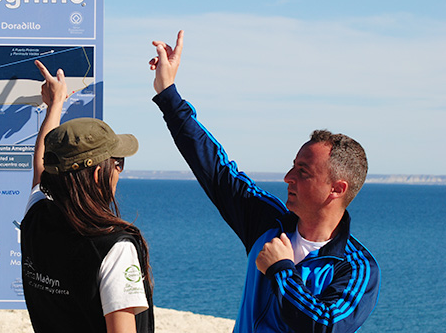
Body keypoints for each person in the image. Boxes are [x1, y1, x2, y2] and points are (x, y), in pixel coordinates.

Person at [148, 31, 380, 332]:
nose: (288, 178)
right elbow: (217, 170)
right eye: (293, 167)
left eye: (303, 172)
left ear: (337, 189)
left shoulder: (356, 267)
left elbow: (325, 325)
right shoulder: (267, 221)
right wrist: (168, 93)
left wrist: (280, 269)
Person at [21, 60, 154, 333]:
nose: (119, 171)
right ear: (96, 175)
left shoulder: (37, 219)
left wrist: (55, 105)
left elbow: (41, 169)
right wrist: (55, 103)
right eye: (117, 163)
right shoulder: (114, 248)